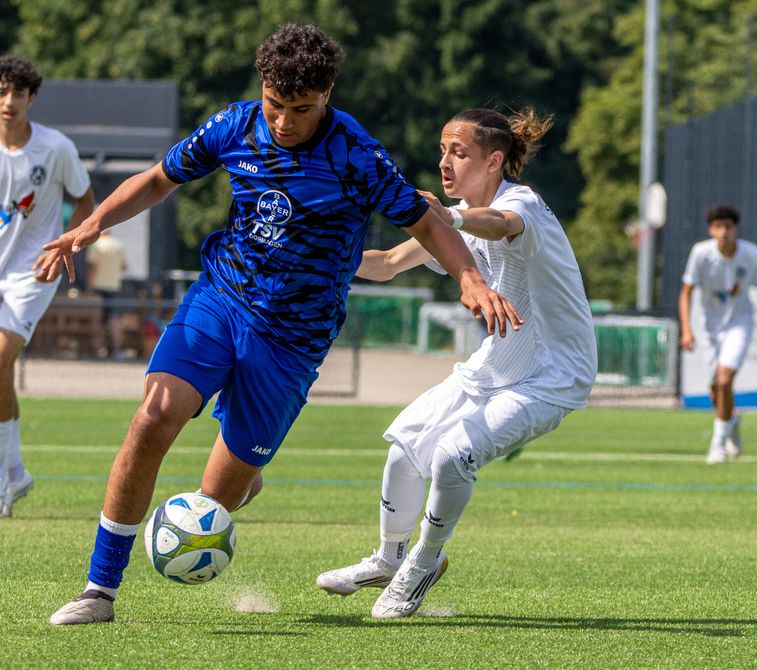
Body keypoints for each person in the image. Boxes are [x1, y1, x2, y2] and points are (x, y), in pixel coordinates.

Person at [42, 23, 519, 626]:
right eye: (275, 104)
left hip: (293, 340)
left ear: (328, 95)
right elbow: (160, 179)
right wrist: (94, 224)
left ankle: (244, 478)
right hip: (223, 297)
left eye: (302, 109)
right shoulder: (233, 125)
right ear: (261, 87)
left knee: (216, 502)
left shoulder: (356, 154)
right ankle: (98, 590)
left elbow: (426, 224)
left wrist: (469, 279)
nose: (285, 121)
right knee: (153, 416)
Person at [316, 107, 598, 618]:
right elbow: (386, 265)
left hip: (553, 375)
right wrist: (310, 253)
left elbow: (501, 225)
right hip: (496, 365)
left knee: (452, 455)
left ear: (494, 161)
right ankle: (388, 558)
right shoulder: (458, 219)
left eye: (458, 152)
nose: (444, 162)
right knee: (404, 448)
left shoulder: (520, 204)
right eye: (443, 151)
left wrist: (452, 219)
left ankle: (424, 562)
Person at [0, 55, 95, 517]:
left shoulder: (55, 148)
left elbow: (87, 201)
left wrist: (65, 247)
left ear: (31, 98)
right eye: (2, 92)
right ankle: (13, 473)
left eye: (17, 93)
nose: (8, 101)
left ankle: (7, 474)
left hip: (31, 272)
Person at [678, 203, 757, 464]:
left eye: (727, 226)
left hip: (739, 325)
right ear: (711, 230)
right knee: (715, 388)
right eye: (717, 226)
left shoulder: (751, 255)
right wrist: (686, 330)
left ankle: (717, 446)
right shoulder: (701, 253)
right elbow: (686, 292)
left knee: (724, 381)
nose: (723, 232)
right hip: (709, 328)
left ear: (736, 228)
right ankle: (732, 421)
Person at [85, 229, 127, 359]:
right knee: (114, 320)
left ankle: (98, 349)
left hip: (98, 287)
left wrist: (89, 288)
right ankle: (117, 350)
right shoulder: (118, 245)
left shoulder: (96, 245)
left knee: (96, 320)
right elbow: (123, 267)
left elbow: (93, 268)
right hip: (114, 287)